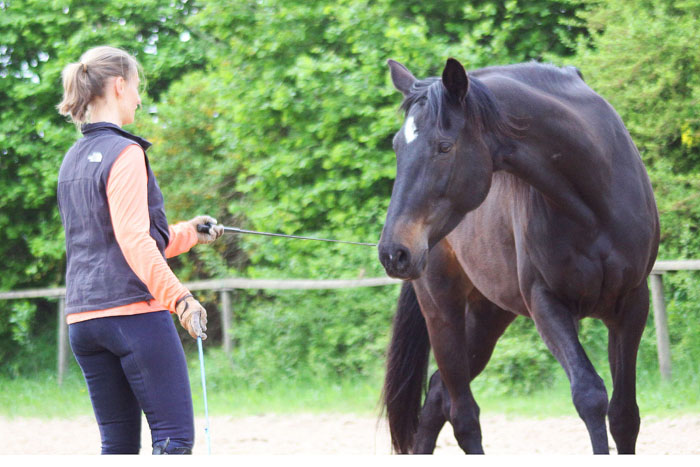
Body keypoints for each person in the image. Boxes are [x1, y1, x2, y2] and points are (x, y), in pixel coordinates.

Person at [56, 45, 224, 455]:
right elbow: (133, 242)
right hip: (133, 318)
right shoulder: (126, 153)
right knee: (173, 441)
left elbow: (114, 241)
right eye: (136, 87)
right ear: (118, 85)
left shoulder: (71, 160)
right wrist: (180, 299)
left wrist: (188, 232)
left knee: (117, 448)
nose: (139, 97)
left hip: (83, 321)